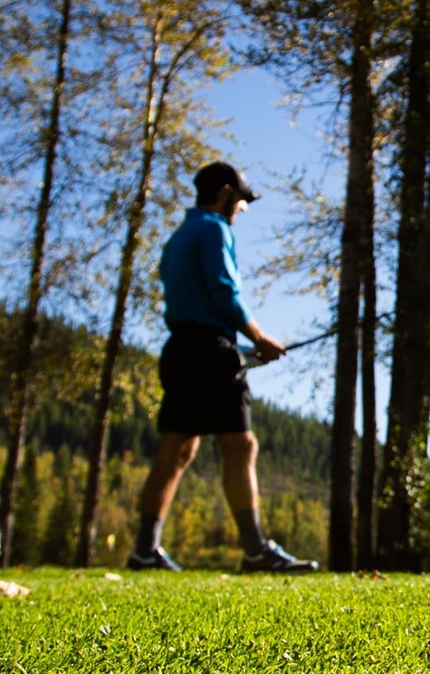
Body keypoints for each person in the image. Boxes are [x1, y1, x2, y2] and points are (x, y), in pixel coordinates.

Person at [125, 162, 316, 573]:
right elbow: (224, 294)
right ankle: (256, 551)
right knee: (240, 446)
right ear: (226, 192)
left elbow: (193, 307)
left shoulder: (178, 237)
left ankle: (144, 551)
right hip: (211, 352)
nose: (243, 209)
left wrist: (241, 345)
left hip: (180, 350)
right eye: (242, 201)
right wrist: (259, 338)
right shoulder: (214, 230)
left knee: (177, 448)